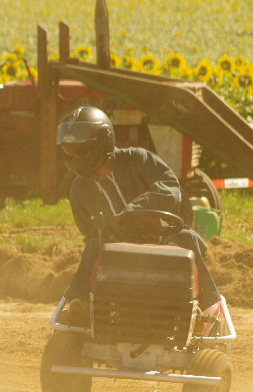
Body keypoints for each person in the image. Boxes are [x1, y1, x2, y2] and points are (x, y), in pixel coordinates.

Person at [57, 105, 221, 331]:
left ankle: (206, 308)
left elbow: (169, 188)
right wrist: (115, 230)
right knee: (93, 246)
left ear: (103, 140)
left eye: (81, 149)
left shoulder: (137, 159)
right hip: (116, 247)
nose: (75, 156)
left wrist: (132, 214)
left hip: (161, 238)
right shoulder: (79, 190)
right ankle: (81, 305)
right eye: (70, 150)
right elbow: (90, 232)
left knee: (187, 238)